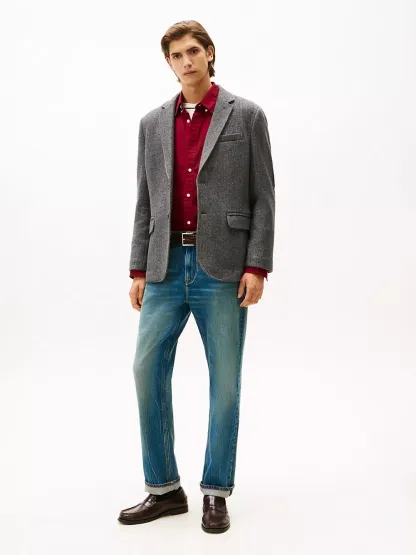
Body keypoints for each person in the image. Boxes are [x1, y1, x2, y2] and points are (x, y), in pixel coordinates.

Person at [118, 20, 275, 534]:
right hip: (164, 265)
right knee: (146, 370)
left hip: (223, 268)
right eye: (176, 55)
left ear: (209, 53)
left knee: (224, 383)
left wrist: (257, 265)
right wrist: (138, 268)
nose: (185, 61)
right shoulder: (151, 123)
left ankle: (215, 492)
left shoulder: (246, 115)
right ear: (169, 63)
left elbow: (263, 197)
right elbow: (145, 201)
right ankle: (164, 489)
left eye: (193, 51)